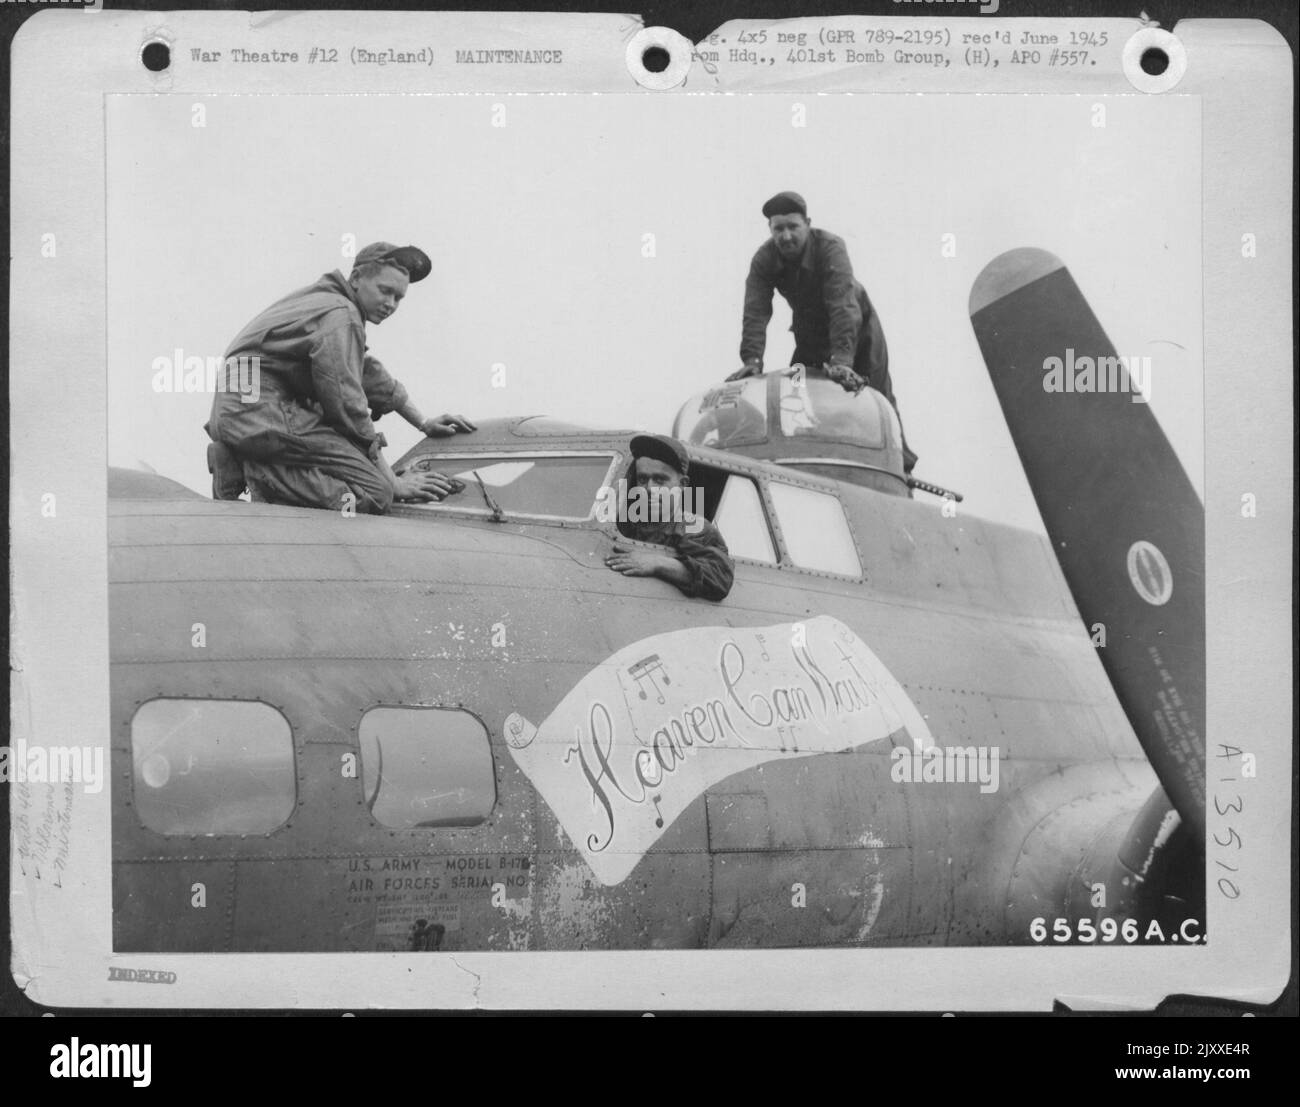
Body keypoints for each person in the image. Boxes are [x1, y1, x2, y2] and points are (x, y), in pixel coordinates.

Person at [205, 241, 476, 513]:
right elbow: (347, 402)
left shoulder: (327, 304)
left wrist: (423, 422)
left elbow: (366, 372)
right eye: (385, 291)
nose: (390, 304)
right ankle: (250, 467)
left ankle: (243, 458)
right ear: (357, 278)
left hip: (243, 410)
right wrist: (393, 482)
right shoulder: (341, 315)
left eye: (398, 298)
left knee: (360, 469)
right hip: (259, 411)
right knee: (377, 492)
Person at [730, 191, 916, 472]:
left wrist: (842, 362)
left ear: (808, 223)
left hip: (857, 328)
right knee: (799, 391)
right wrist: (751, 360)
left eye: (793, 227)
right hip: (810, 332)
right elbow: (755, 311)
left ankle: (901, 469)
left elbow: (842, 304)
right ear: (770, 230)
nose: (786, 236)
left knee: (877, 399)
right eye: (778, 229)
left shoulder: (830, 247)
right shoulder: (764, 259)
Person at [605, 434, 734, 602]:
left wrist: (658, 563)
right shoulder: (626, 524)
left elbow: (721, 578)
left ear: (682, 484)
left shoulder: (693, 528)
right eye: (643, 479)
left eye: (660, 480)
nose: (649, 488)